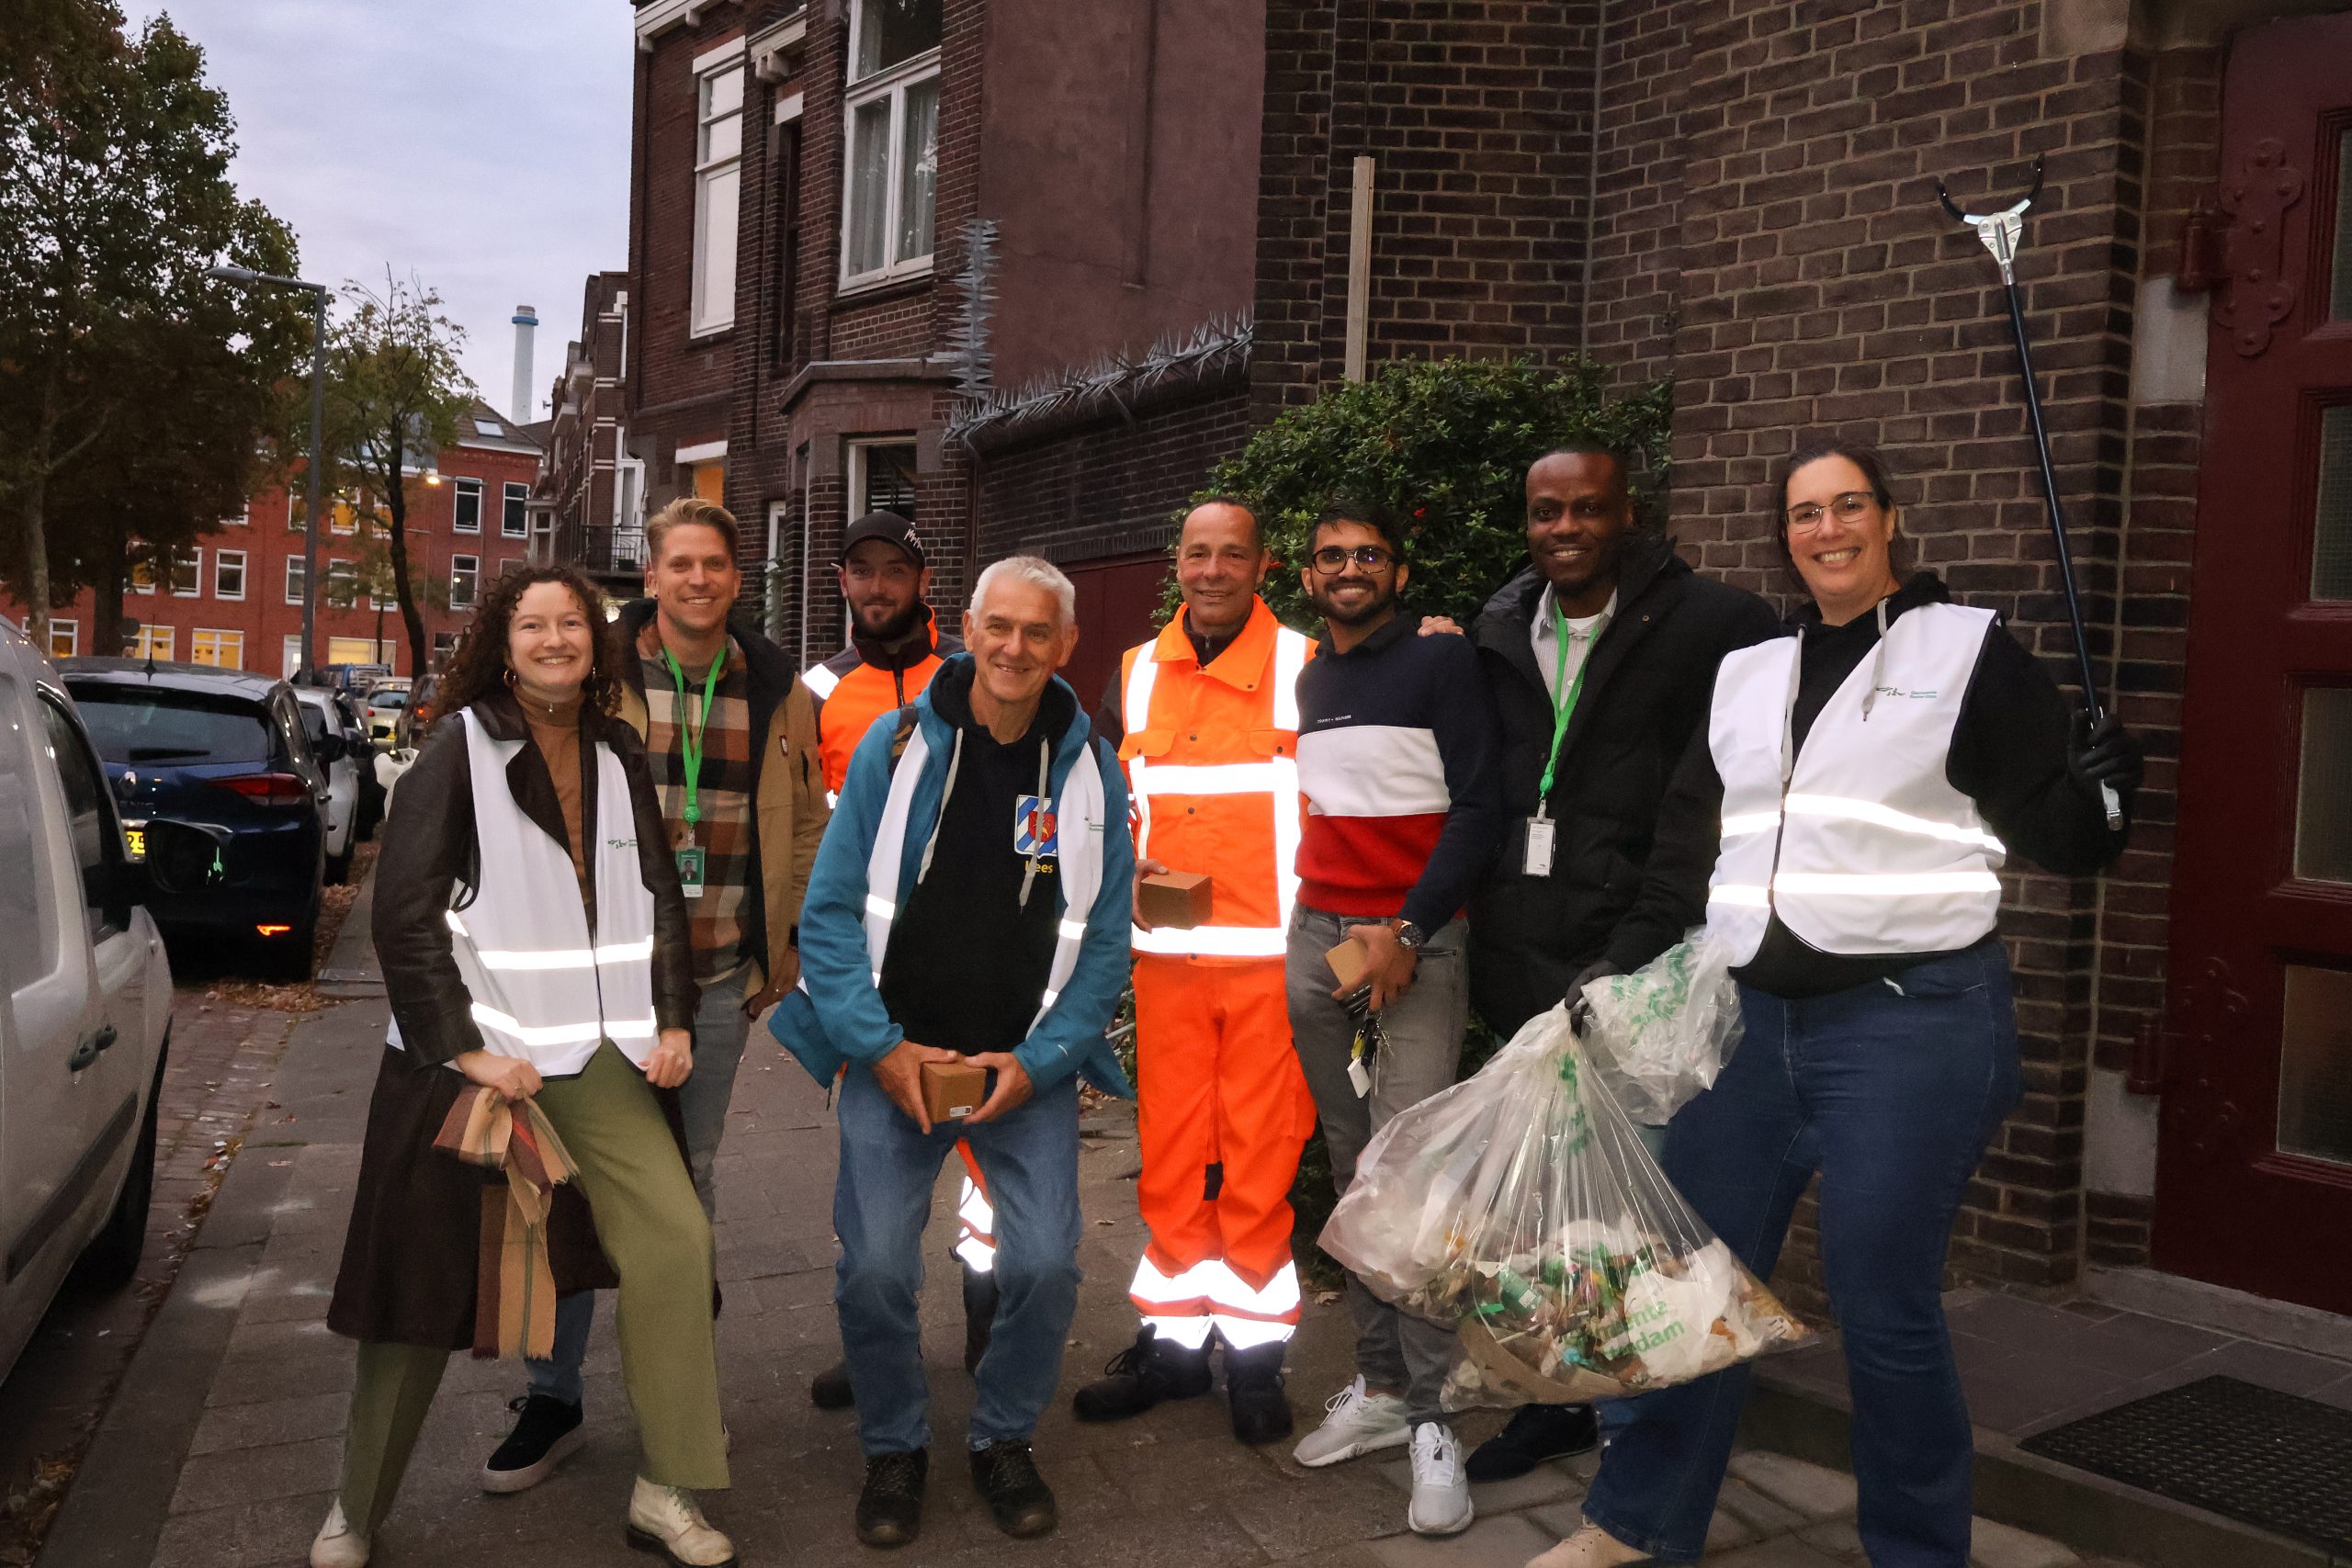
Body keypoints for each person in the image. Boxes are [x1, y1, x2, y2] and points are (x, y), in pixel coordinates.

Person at [1534, 438, 2142, 1568]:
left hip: (1908, 1023)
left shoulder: (1967, 654)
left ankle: (1916, 1551)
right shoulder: (1749, 671)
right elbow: (1686, 852)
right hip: (1751, 1026)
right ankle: (1633, 1525)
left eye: (1847, 506)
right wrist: (1614, 965)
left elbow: (2061, 841)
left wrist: (2105, 791)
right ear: (1785, 536)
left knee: (1880, 1303)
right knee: (1690, 1284)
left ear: (1890, 520)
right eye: (1803, 513)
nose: (1826, 530)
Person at [313, 567, 735, 1568]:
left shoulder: (620, 751)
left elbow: (657, 900)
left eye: (573, 625)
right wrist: (461, 1048)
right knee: (418, 1293)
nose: (556, 640)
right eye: (533, 625)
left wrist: (671, 1019)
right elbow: (402, 917)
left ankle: (665, 1489)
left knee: (676, 1247)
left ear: (597, 642)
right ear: (502, 647)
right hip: (468, 1066)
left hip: (595, 1059)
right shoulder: (457, 750)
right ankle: (356, 1509)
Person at [770, 556, 1136, 1549]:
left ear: (1065, 646)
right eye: (998, 627)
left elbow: (1106, 941)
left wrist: (1047, 1058)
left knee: (1050, 1265)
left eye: (1037, 633)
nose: (1015, 649)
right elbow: (831, 915)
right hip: (895, 1062)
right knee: (878, 1270)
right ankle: (894, 1447)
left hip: (1025, 1068)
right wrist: (878, 1050)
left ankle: (1002, 1437)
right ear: (967, 628)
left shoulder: (1093, 771)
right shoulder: (897, 748)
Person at [487, 498, 827, 1493]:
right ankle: (553, 1396)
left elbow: (803, 822)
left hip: (717, 980)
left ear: (737, 574)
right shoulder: (598, 669)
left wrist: (784, 948)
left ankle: (680, 1402)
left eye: (714, 565)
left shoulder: (777, 684)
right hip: (593, 984)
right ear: (651, 572)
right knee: (567, 1182)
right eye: (679, 564)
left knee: (688, 1182)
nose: (697, 582)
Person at [1461, 446, 1781, 1481]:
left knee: (1639, 1202)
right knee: (1550, 1204)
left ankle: (1648, 1420)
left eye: (1586, 509)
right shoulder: (1499, 627)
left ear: (1626, 514)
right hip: (1525, 956)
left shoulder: (1714, 626)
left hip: (1639, 961)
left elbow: (1709, 805)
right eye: (1545, 510)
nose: (1565, 527)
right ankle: (1562, 1396)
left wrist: (1633, 950)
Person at [1068, 498, 1319, 1442]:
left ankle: (1254, 1358)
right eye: (1196, 553)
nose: (1211, 570)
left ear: (1262, 567)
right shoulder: (1133, 677)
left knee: (1259, 1159)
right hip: (1165, 968)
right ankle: (1172, 1346)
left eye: (1231, 554)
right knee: (1172, 1159)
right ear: (1176, 563)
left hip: (1271, 965)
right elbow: (1092, 808)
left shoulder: (1306, 667)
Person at [1283, 498, 1505, 1538]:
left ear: (1401, 575)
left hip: (1411, 942)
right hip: (1318, 935)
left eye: (1368, 554)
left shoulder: (1440, 663)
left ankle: (1432, 1420)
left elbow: (1479, 804)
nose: (1348, 568)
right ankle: (1377, 1389)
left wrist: (1409, 932)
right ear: (1309, 574)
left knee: (1407, 1170)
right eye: (1331, 556)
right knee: (1350, 1155)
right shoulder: (1313, 677)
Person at [797, 509, 996, 1411]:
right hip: (867, 982)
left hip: (972, 963)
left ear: (924, 583)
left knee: (990, 1167)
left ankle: (991, 1330)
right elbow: (798, 824)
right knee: (867, 1179)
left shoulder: (971, 677)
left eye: (893, 572)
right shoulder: (814, 691)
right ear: (843, 581)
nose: (876, 587)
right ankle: (875, 1339)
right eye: (860, 571)